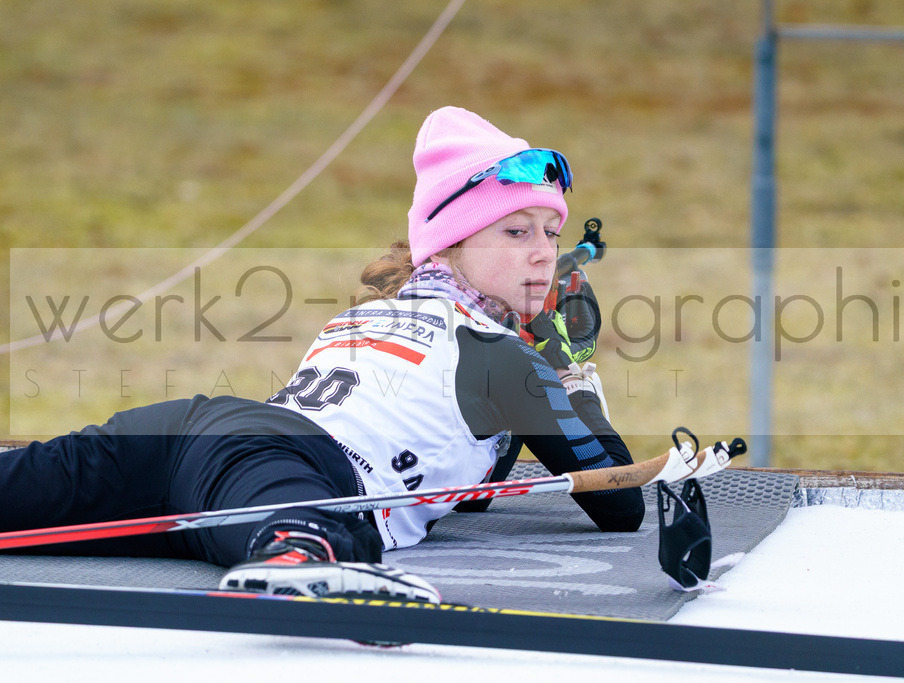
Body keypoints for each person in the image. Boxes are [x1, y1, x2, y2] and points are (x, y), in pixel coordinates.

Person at [0, 106, 644, 603]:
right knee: (303, 535)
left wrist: (537, 368)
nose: (543, 253)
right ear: (449, 246)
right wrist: (569, 373)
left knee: (24, 488)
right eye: (516, 231)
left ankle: (292, 547)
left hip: (193, 435)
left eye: (552, 232)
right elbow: (621, 500)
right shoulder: (504, 360)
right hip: (280, 463)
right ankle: (299, 558)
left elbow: (463, 491)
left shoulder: (372, 312)